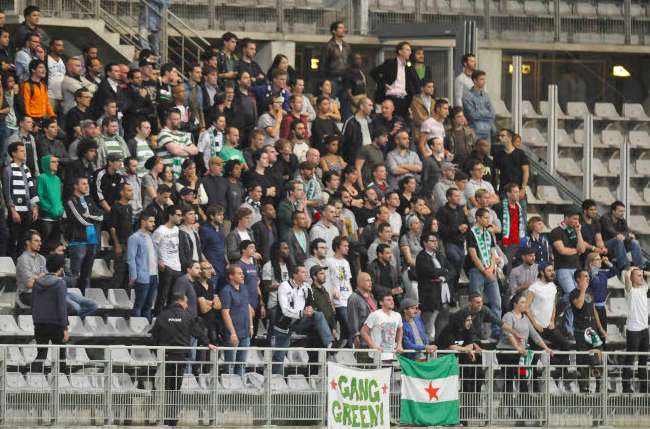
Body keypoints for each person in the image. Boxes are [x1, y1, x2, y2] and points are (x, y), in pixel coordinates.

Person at [151, 292, 218, 427]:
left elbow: (154, 336)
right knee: (176, 389)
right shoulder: (187, 316)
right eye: (186, 302)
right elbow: (198, 332)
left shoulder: (162, 316)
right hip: (180, 357)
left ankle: (164, 419)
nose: (187, 305)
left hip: (165, 357)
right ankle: (173, 420)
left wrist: (157, 350)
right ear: (181, 301)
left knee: (165, 388)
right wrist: (208, 343)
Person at [497, 291, 554, 424]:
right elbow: (508, 333)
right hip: (508, 354)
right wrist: (517, 347)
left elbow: (535, 335)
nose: (525, 304)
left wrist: (546, 348)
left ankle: (526, 411)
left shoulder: (525, 318)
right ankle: (511, 411)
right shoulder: (508, 316)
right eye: (522, 302)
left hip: (522, 355)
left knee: (524, 382)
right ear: (515, 304)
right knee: (510, 381)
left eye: (525, 302)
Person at [272, 265, 334, 373]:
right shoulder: (284, 286)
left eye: (306, 272)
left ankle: (330, 343)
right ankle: (275, 379)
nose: (306, 274)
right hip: (284, 324)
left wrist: (309, 309)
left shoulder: (307, 287)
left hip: (300, 321)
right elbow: (285, 310)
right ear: (295, 274)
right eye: (303, 272)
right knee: (279, 355)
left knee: (318, 315)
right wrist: (302, 313)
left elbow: (310, 302)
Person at [525, 261, 572, 389]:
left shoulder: (553, 286)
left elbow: (553, 306)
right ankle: (534, 386)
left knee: (566, 344)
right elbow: (526, 307)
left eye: (553, 270)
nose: (553, 272)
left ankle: (561, 372)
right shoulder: (534, 287)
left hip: (549, 325)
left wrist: (552, 321)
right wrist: (535, 323)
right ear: (542, 272)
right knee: (535, 356)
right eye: (549, 270)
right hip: (536, 327)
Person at [550, 206, 586, 335]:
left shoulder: (574, 232)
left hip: (576, 267)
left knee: (574, 298)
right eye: (574, 218)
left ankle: (568, 327)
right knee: (572, 295)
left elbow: (582, 249)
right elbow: (562, 250)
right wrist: (576, 250)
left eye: (578, 219)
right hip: (563, 268)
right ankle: (552, 316)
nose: (577, 221)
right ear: (566, 218)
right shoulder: (556, 231)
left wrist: (578, 232)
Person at [570, 269, 607, 394]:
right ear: (578, 279)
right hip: (581, 331)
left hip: (592, 331)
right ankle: (584, 388)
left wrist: (600, 328)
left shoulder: (590, 291)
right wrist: (583, 290)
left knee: (597, 359)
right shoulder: (574, 293)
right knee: (583, 360)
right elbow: (579, 305)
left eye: (588, 276)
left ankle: (599, 386)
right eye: (585, 276)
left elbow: (593, 309)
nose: (588, 278)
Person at [30, 254, 68, 372]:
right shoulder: (60, 283)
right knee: (60, 356)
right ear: (60, 268)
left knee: (41, 354)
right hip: (56, 324)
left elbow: (33, 303)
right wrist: (65, 327)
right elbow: (62, 307)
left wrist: (36, 320)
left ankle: (33, 378)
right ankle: (60, 383)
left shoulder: (37, 282)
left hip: (40, 323)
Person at [467, 208, 502, 335]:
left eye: (489, 217)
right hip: (477, 271)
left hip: (490, 270)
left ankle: (497, 331)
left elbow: (493, 252)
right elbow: (473, 255)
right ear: (478, 218)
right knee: (476, 303)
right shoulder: (471, 233)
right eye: (486, 218)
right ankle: (476, 332)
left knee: (497, 302)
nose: (489, 220)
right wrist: (484, 270)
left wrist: (492, 267)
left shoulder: (488, 233)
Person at [64, 176, 102, 293]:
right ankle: (72, 299)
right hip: (78, 241)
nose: (86, 186)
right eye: (83, 184)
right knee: (75, 273)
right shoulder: (71, 200)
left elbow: (101, 216)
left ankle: (86, 299)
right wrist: (91, 218)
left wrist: (89, 216)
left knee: (87, 274)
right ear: (76, 186)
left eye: (87, 184)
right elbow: (80, 220)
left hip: (92, 240)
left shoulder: (89, 200)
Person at [4, 141, 39, 257]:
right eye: (21, 151)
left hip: (26, 210)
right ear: (14, 153)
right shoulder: (8, 169)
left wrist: (34, 207)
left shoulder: (26, 168)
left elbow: (31, 188)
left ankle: (20, 262)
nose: (24, 153)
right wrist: (13, 210)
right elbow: (7, 192)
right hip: (15, 210)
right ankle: (11, 261)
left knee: (24, 239)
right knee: (13, 237)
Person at [416, 231, 451, 340]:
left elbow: (452, 270)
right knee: (428, 326)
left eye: (436, 241)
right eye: (432, 241)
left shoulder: (440, 256)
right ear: (425, 243)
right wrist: (444, 271)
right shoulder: (421, 257)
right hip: (429, 297)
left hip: (443, 294)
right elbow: (430, 272)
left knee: (443, 325)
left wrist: (443, 273)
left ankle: (440, 347)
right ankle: (426, 349)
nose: (435, 243)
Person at [370, 41, 419, 118]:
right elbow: (373, 72)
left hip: (404, 99)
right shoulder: (390, 63)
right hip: (390, 97)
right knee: (390, 120)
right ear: (400, 51)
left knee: (402, 122)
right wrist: (383, 84)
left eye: (410, 50)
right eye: (407, 50)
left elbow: (416, 81)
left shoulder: (409, 66)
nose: (410, 52)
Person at [220, 264, 254, 375]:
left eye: (242, 273)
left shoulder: (244, 288)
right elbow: (225, 313)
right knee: (230, 365)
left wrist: (251, 326)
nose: (242, 275)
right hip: (233, 334)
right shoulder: (226, 291)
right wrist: (233, 333)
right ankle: (229, 389)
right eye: (239, 273)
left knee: (241, 364)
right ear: (231, 276)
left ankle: (239, 391)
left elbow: (248, 307)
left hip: (245, 332)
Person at [622, 267, 650, 393]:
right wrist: (631, 270)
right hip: (633, 330)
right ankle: (626, 388)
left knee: (643, 361)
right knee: (630, 360)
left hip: (644, 330)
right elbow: (626, 277)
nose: (641, 277)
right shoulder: (630, 290)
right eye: (638, 276)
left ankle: (644, 388)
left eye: (641, 275)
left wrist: (642, 272)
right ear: (633, 278)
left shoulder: (644, 288)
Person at [600, 200, 649, 272]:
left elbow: (628, 233)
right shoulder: (605, 218)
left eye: (623, 211)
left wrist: (625, 236)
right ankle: (624, 267)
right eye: (620, 211)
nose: (622, 213)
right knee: (618, 240)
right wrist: (624, 235)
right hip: (605, 245)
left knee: (634, 242)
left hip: (619, 244)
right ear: (613, 211)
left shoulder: (622, 220)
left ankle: (640, 268)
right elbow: (611, 232)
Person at [127, 212, 158, 320]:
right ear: (143, 222)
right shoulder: (134, 238)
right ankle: (136, 330)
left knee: (149, 305)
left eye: (154, 221)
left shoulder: (151, 237)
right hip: (142, 276)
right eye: (150, 221)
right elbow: (131, 259)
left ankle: (146, 331)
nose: (153, 223)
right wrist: (133, 276)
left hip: (154, 275)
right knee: (139, 304)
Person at [152, 205, 183, 314]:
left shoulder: (176, 229)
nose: (181, 218)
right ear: (170, 216)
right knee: (162, 295)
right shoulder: (160, 231)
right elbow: (152, 247)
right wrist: (158, 261)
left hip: (177, 266)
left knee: (173, 296)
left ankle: (169, 319)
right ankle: (158, 317)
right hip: (166, 266)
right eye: (178, 215)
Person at [361, 293, 404, 361]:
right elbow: (363, 332)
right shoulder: (375, 314)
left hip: (391, 354)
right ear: (381, 302)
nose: (392, 302)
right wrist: (373, 346)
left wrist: (399, 344)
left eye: (392, 300)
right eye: (388, 300)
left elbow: (400, 329)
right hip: (377, 355)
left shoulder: (397, 315)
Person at [156, 108, 198, 178]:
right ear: (168, 120)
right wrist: (187, 150)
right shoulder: (163, 134)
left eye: (179, 119)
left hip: (183, 174)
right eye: (176, 119)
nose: (179, 121)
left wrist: (181, 147)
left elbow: (195, 150)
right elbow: (175, 151)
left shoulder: (182, 134)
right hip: (169, 175)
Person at [326, 236, 353, 345]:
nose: (347, 248)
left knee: (348, 324)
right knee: (345, 322)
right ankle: (341, 344)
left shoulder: (346, 262)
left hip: (347, 297)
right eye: (345, 246)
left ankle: (344, 344)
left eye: (348, 246)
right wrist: (332, 293)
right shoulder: (329, 261)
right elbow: (327, 280)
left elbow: (348, 280)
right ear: (337, 247)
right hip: (337, 299)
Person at [109, 182, 133, 289]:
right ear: (122, 193)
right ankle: (113, 293)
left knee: (127, 272)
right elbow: (112, 228)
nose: (131, 193)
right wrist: (117, 244)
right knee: (119, 271)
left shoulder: (129, 207)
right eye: (128, 190)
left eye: (131, 190)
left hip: (128, 244)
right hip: (120, 244)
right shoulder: (115, 207)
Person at [497, 182, 526, 269]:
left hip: (515, 240)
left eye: (518, 191)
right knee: (505, 264)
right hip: (502, 240)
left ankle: (507, 281)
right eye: (515, 192)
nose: (518, 194)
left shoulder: (519, 207)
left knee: (508, 263)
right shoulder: (499, 207)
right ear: (508, 194)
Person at [36, 155, 63, 245]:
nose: (57, 164)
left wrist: (61, 208)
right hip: (46, 218)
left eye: (57, 162)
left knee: (56, 244)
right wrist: (50, 209)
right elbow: (39, 196)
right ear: (46, 163)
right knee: (43, 243)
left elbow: (59, 197)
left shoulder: (57, 179)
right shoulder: (42, 177)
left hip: (57, 218)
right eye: (53, 162)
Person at [15, 230, 46, 309]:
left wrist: (35, 277)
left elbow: (46, 277)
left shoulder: (41, 258)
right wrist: (40, 276)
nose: (40, 243)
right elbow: (29, 284)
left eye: (40, 241)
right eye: (36, 241)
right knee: (65, 306)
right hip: (26, 294)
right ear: (28, 242)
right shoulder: (23, 259)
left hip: (41, 291)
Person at [494, 129, 529, 197]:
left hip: (518, 190)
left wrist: (523, 188)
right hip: (504, 190)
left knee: (519, 208)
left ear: (509, 138)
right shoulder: (498, 154)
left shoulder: (520, 153)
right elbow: (496, 172)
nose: (499, 138)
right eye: (499, 136)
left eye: (502, 136)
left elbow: (526, 172)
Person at [463, 70, 495, 143]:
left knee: (487, 153)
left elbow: (493, 114)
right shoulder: (467, 96)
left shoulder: (486, 96)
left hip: (487, 132)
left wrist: (481, 114)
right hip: (475, 131)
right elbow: (472, 115)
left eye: (484, 79)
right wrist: (486, 113)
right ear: (475, 80)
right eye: (481, 79)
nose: (484, 81)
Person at [342, 96, 374, 165]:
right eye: (370, 105)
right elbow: (343, 142)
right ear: (362, 107)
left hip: (369, 158)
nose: (372, 108)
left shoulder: (371, 122)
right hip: (355, 158)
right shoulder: (350, 122)